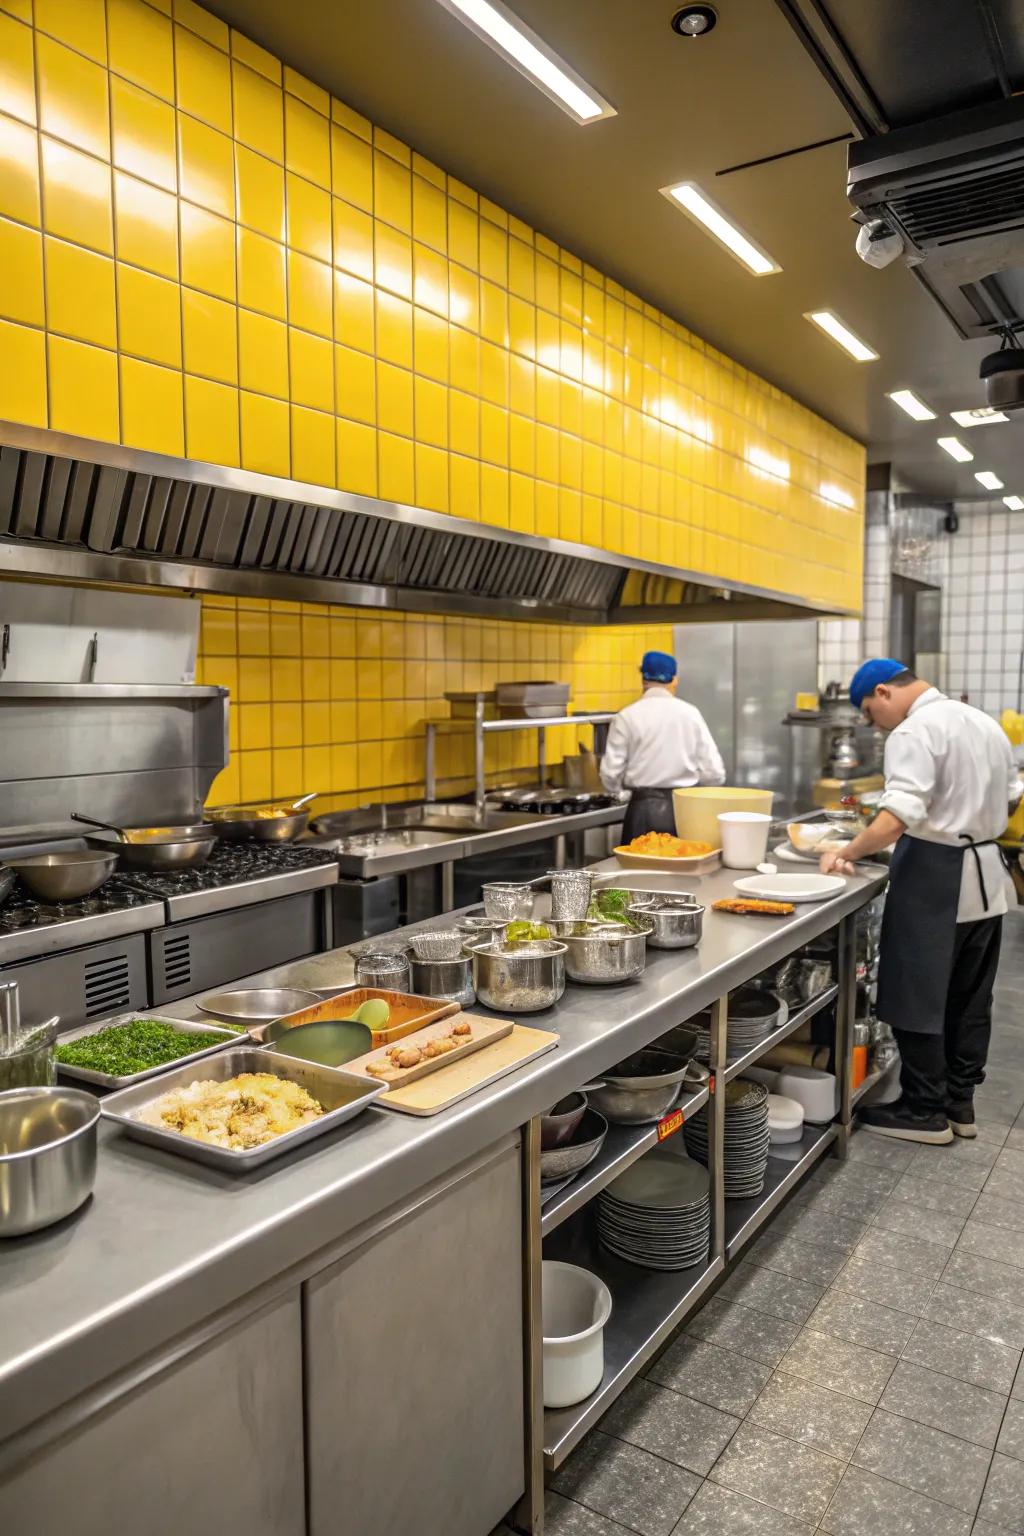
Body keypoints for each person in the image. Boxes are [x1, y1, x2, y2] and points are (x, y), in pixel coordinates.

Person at [820, 659, 1022, 1144]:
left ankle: (924, 1111)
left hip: (937, 877)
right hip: (987, 878)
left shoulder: (913, 732)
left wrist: (844, 851)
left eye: (870, 712)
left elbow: (897, 817)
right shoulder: (983, 722)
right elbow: (1011, 795)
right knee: (970, 999)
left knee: (917, 992)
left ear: (885, 692)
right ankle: (960, 1104)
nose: (874, 723)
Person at [600, 650, 726, 845]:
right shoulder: (690, 714)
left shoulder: (626, 716)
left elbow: (610, 773)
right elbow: (715, 774)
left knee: (639, 871)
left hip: (642, 810)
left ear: (643, 680)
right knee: (685, 870)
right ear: (674, 680)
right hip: (686, 810)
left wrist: (621, 792)